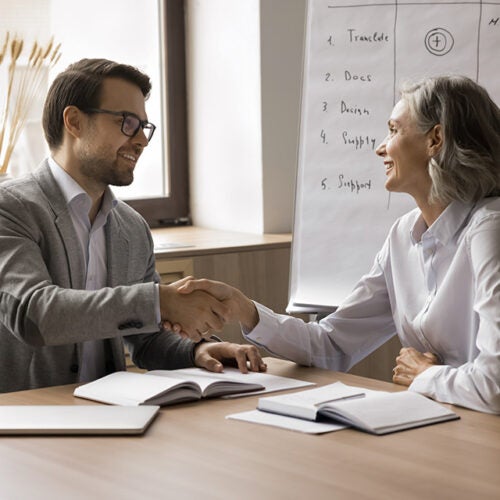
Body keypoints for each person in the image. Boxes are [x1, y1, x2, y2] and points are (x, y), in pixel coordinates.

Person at [170, 75, 500, 414]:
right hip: (439, 422)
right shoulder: (403, 236)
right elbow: (332, 345)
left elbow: (495, 387)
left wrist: (426, 375)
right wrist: (245, 310)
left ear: (436, 139)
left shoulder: (490, 229)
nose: (381, 147)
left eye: (394, 130)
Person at [0, 58, 265, 393]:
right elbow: (37, 315)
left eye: (144, 126)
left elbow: (146, 338)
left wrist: (197, 350)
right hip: (26, 422)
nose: (141, 140)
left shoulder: (132, 227)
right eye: (127, 122)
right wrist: (158, 301)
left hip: (110, 416)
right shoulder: (10, 207)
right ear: (75, 121)